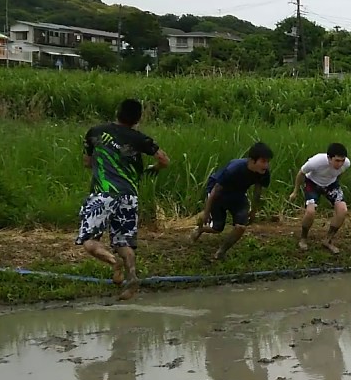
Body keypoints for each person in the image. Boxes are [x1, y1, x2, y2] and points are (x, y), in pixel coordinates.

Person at [76, 98, 169, 300]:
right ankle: (132, 276)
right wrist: (151, 169)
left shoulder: (95, 132)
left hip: (102, 194)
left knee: (89, 241)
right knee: (123, 243)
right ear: (138, 119)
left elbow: (87, 162)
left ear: (117, 112)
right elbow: (164, 160)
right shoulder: (140, 138)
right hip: (128, 195)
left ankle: (113, 262)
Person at [192, 142, 273, 260]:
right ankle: (200, 228)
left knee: (241, 226)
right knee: (217, 228)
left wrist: (254, 211)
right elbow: (215, 190)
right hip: (219, 192)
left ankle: (221, 252)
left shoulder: (263, 173)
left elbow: (257, 191)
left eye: (268, 162)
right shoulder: (234, 169)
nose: (266, 165)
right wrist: (206, 212)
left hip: (238, 194)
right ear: (252, 160)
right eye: (263, 161)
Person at [288, 142, 350, 254]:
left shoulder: (346, 164)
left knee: (342, 210)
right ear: (329, 158)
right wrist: (295, 191)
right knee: (310, 212)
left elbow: (340, 174)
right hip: (313, 184)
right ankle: (303, 238)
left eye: (342, 160)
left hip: (331, 185)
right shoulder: (316, 161)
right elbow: (301, 173)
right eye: (337, 161)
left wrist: (335, 185)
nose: (340, 164)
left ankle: (328, 240)